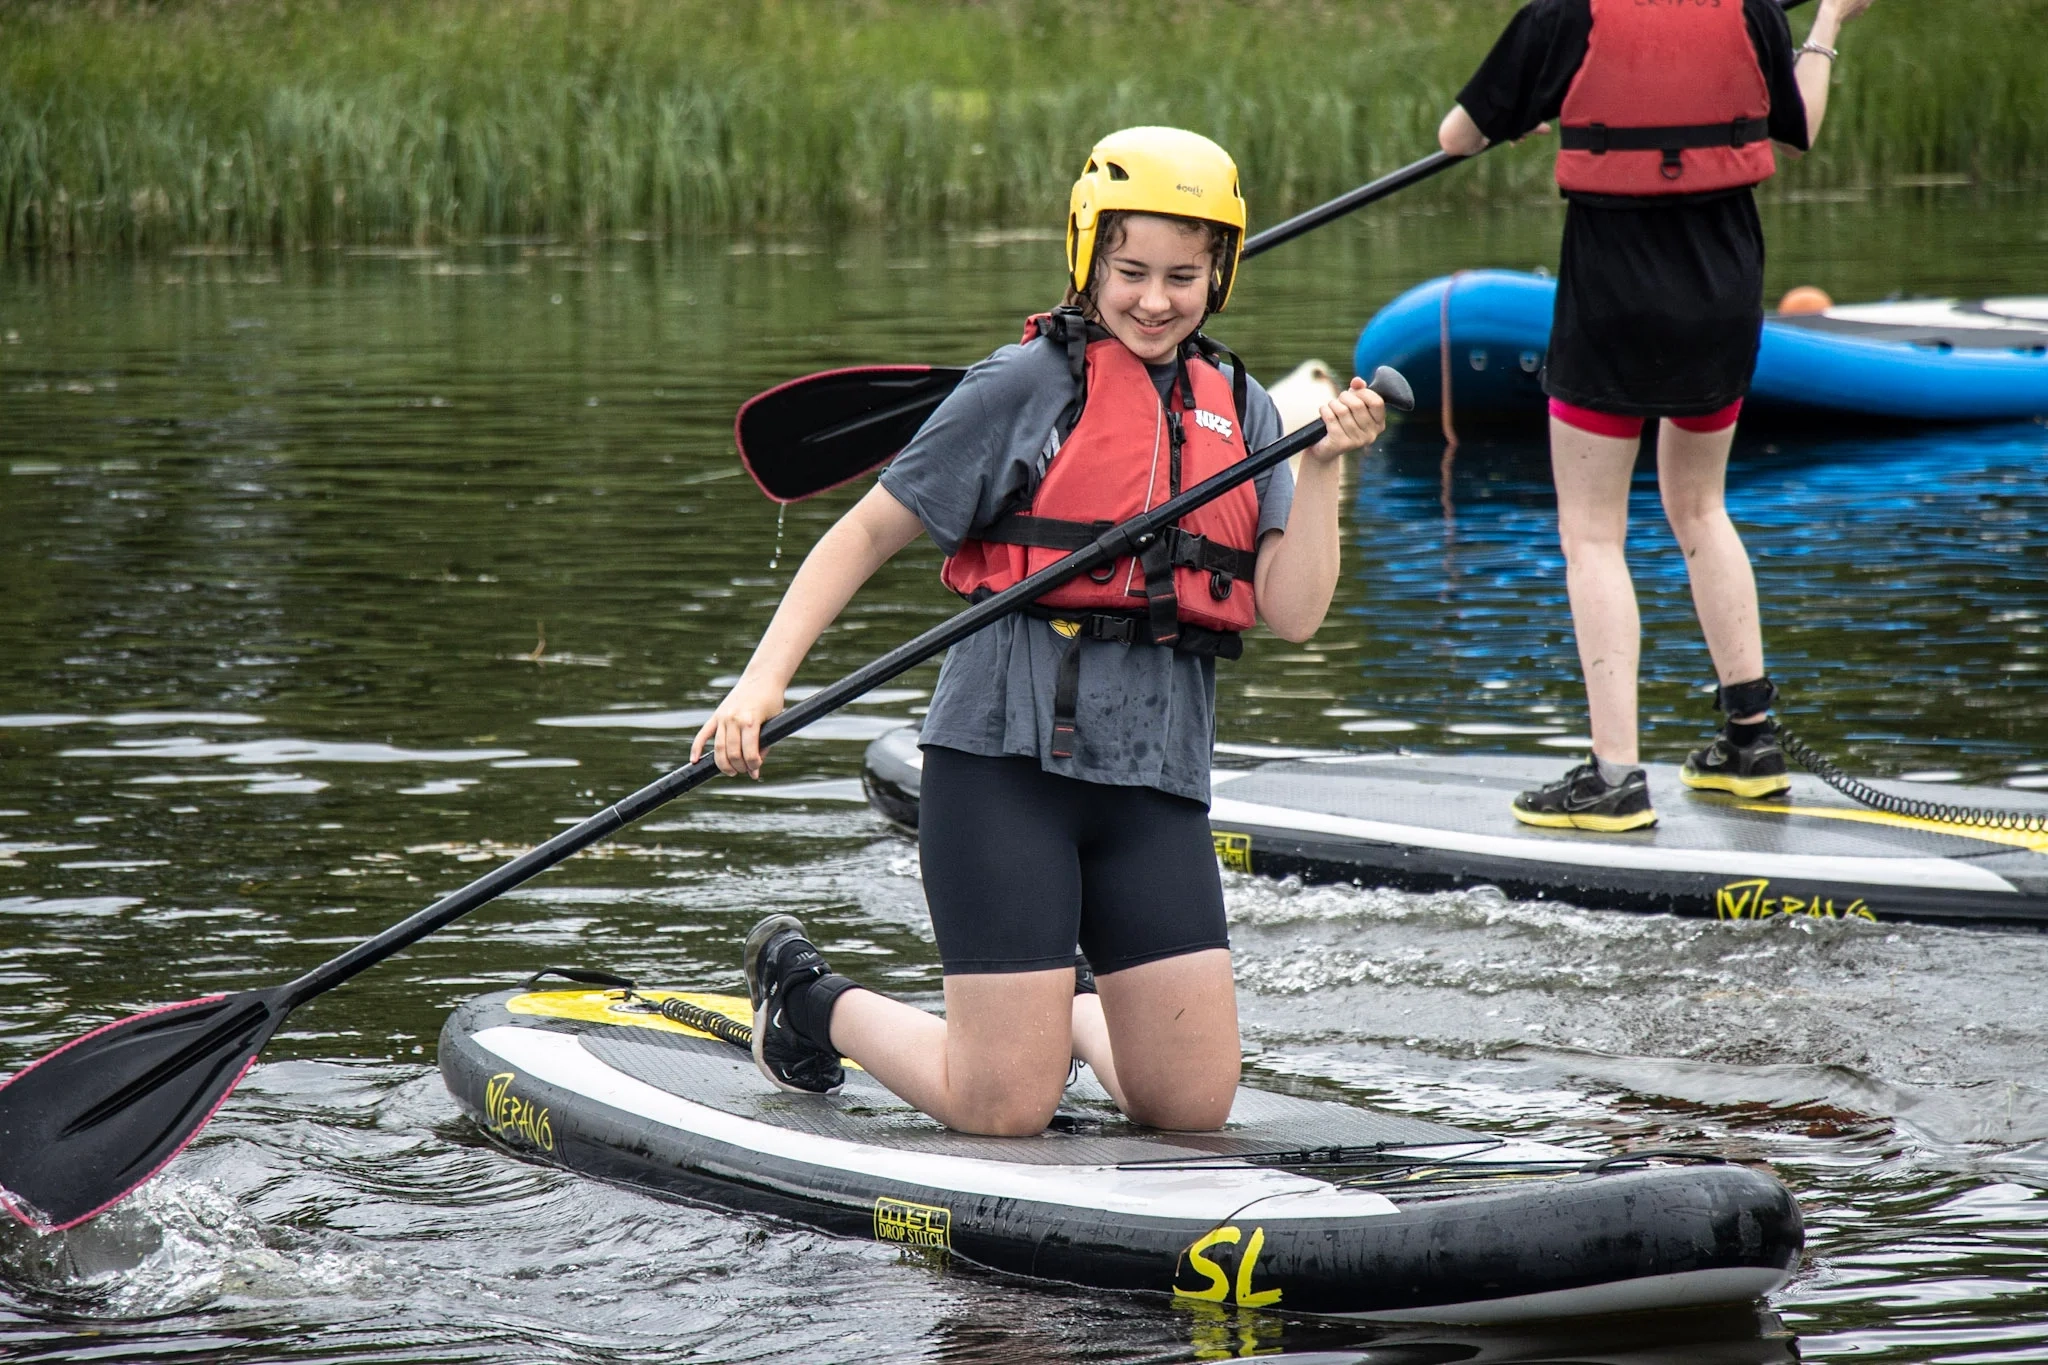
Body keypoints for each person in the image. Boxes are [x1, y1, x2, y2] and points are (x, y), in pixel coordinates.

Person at [691, 127, 1386, 1135]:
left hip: (1154, 777)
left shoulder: (1241, 409)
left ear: (1219, 274)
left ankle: (1047, 1016)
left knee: (1189, 1105)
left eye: (1182, 275)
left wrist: (1323, 464)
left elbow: (1293, 611)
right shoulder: (1022, 389)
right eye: (1130, 271)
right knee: (1000, 1108)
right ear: (1088, 258)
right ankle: (806, 998)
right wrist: (761, 685)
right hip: (1005, 771)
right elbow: (863, 534)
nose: (1155, 299)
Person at [1438, 0, 1875, 831]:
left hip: (1613, 305)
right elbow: (1801, 126)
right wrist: (1830, 21)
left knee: (1594, 534)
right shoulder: (1750, 10)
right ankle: (1750, 743)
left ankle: (1613, 776)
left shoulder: (1562, 14)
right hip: (1724, 297)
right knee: (1702, 506)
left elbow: (1456, 137)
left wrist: (1530, 111)